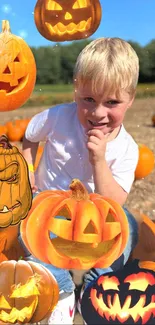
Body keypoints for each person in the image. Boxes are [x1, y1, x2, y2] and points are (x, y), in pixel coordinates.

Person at [22, 37, 140, 324]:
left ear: (131, 99)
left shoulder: (127, 148)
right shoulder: (56, 117)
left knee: (128, 230)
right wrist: (28, 173)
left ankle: (95, 286)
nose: (98, 113)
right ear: (76, 90)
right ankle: (61, 289)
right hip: (51, 207)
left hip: (96, 217)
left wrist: (98, 159)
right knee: (26, 226)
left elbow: (113, 202)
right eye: (88, 100)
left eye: (112, 102)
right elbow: (28, 138)